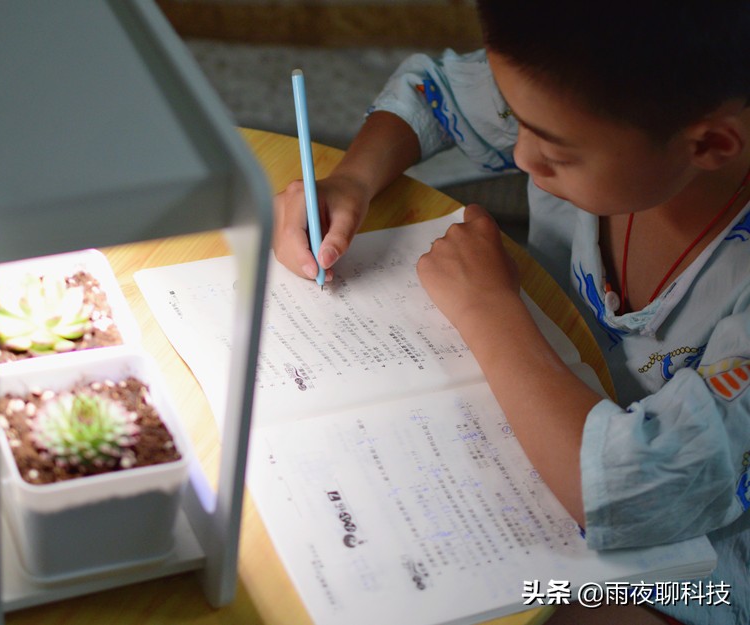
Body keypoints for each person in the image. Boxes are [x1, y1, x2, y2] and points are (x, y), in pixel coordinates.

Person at [271, 2, 750, 624]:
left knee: (533, 609)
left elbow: (630, 490)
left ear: (709, 143)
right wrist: (352, 181)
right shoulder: (595, 88)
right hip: (529, 420)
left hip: (699, 577)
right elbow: (435, 89)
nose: (520, 156)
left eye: (555, 152)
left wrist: (492, 312)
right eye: (514, 118)